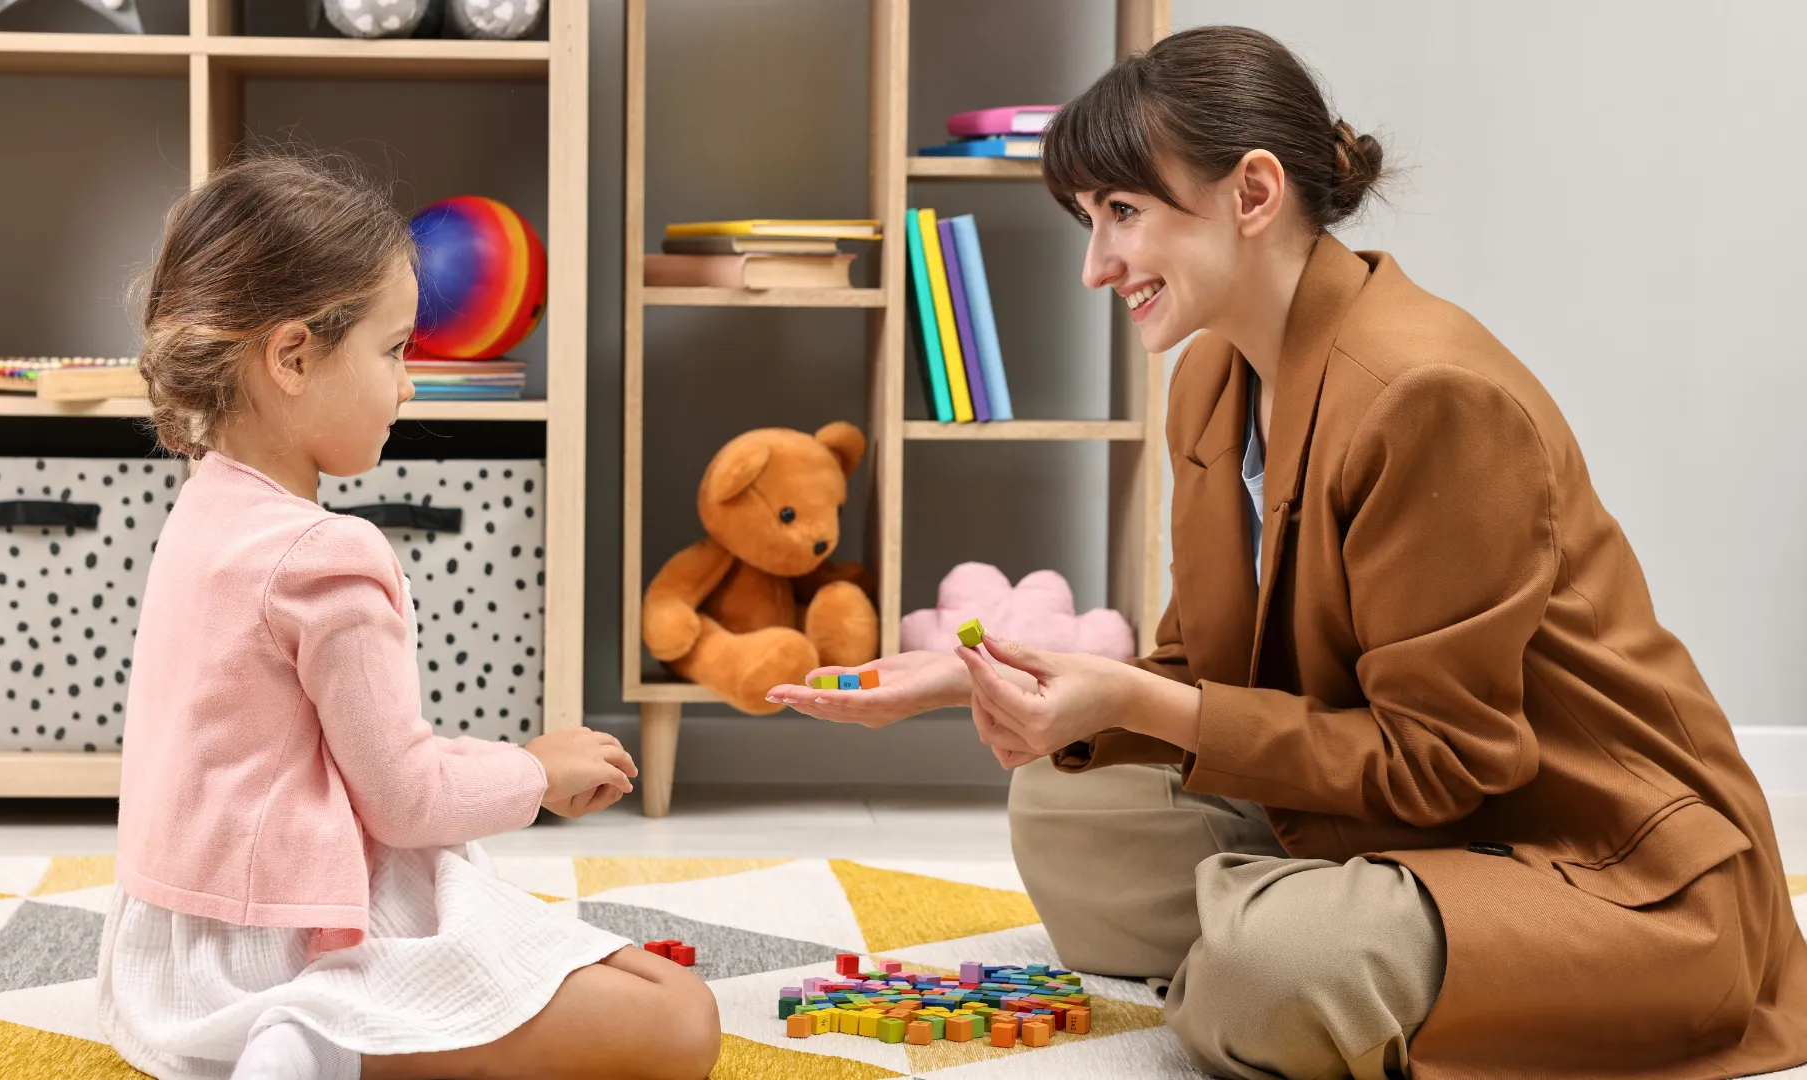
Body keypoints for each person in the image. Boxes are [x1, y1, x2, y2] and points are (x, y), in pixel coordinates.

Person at [771, 25, 1807, 1080]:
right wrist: (974, 673)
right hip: (1405, 816)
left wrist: (1132, 708)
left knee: (1267, 976)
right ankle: (1330, 927)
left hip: (1603, 864)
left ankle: (1310, 936)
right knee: (1064, 799)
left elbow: (1442, 764)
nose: (1096, 267)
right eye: (1091, 221)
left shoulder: (1429, 397)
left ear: (1252, 194)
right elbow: (1203, 671)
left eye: (1124, 213)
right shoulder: (1211, 383)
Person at [102, 153, 722, 1080]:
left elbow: (347, 767)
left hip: (169, 956)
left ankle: (300, 1034)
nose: (411, 385)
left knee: (606, 967)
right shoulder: (329, 556)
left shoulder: (202, 509)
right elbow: (406, 799)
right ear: (294, 356)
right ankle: (325, 1036)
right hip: (291, 939)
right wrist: (532, 774)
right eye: (395, 351)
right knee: (682, 1021)